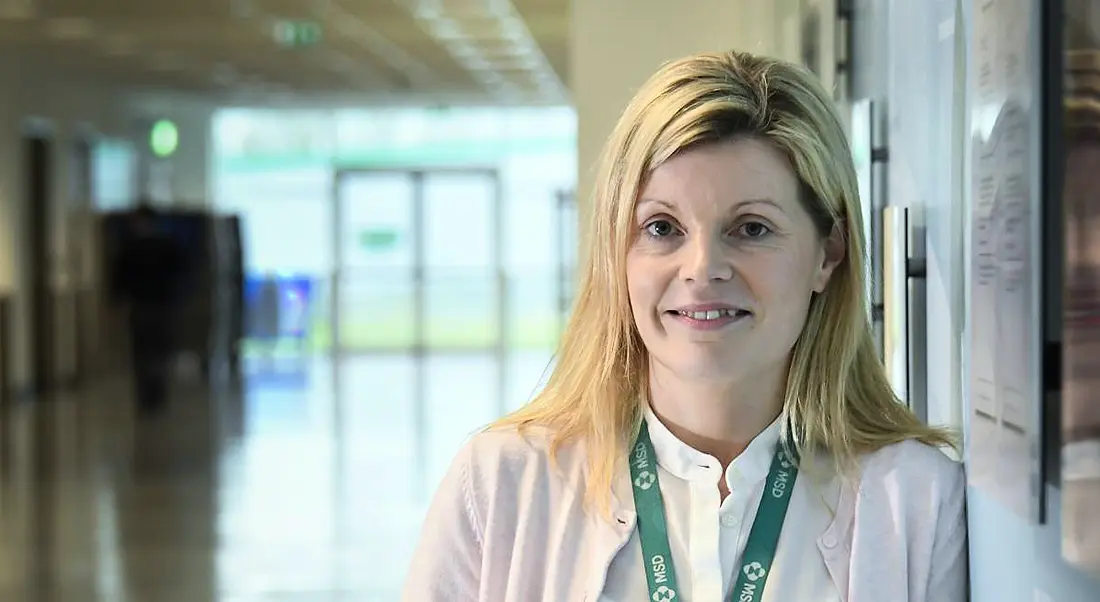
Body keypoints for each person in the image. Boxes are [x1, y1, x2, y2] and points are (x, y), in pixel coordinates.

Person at [401, 51, 967, 601]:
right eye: (662, 227)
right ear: (616, 250)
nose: (702, 269)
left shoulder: (917, 500)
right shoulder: (502, 487)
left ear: (828, 253)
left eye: (751, 228)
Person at [113, 203, 188, 414]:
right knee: (159, 349)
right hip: (162, 305)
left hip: (143, 305)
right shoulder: (169, 245)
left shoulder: (130, 247)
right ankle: (156, 393)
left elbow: (120, 278)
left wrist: (119, 299)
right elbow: (183, 273)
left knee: (143, 350)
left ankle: (147, 395)